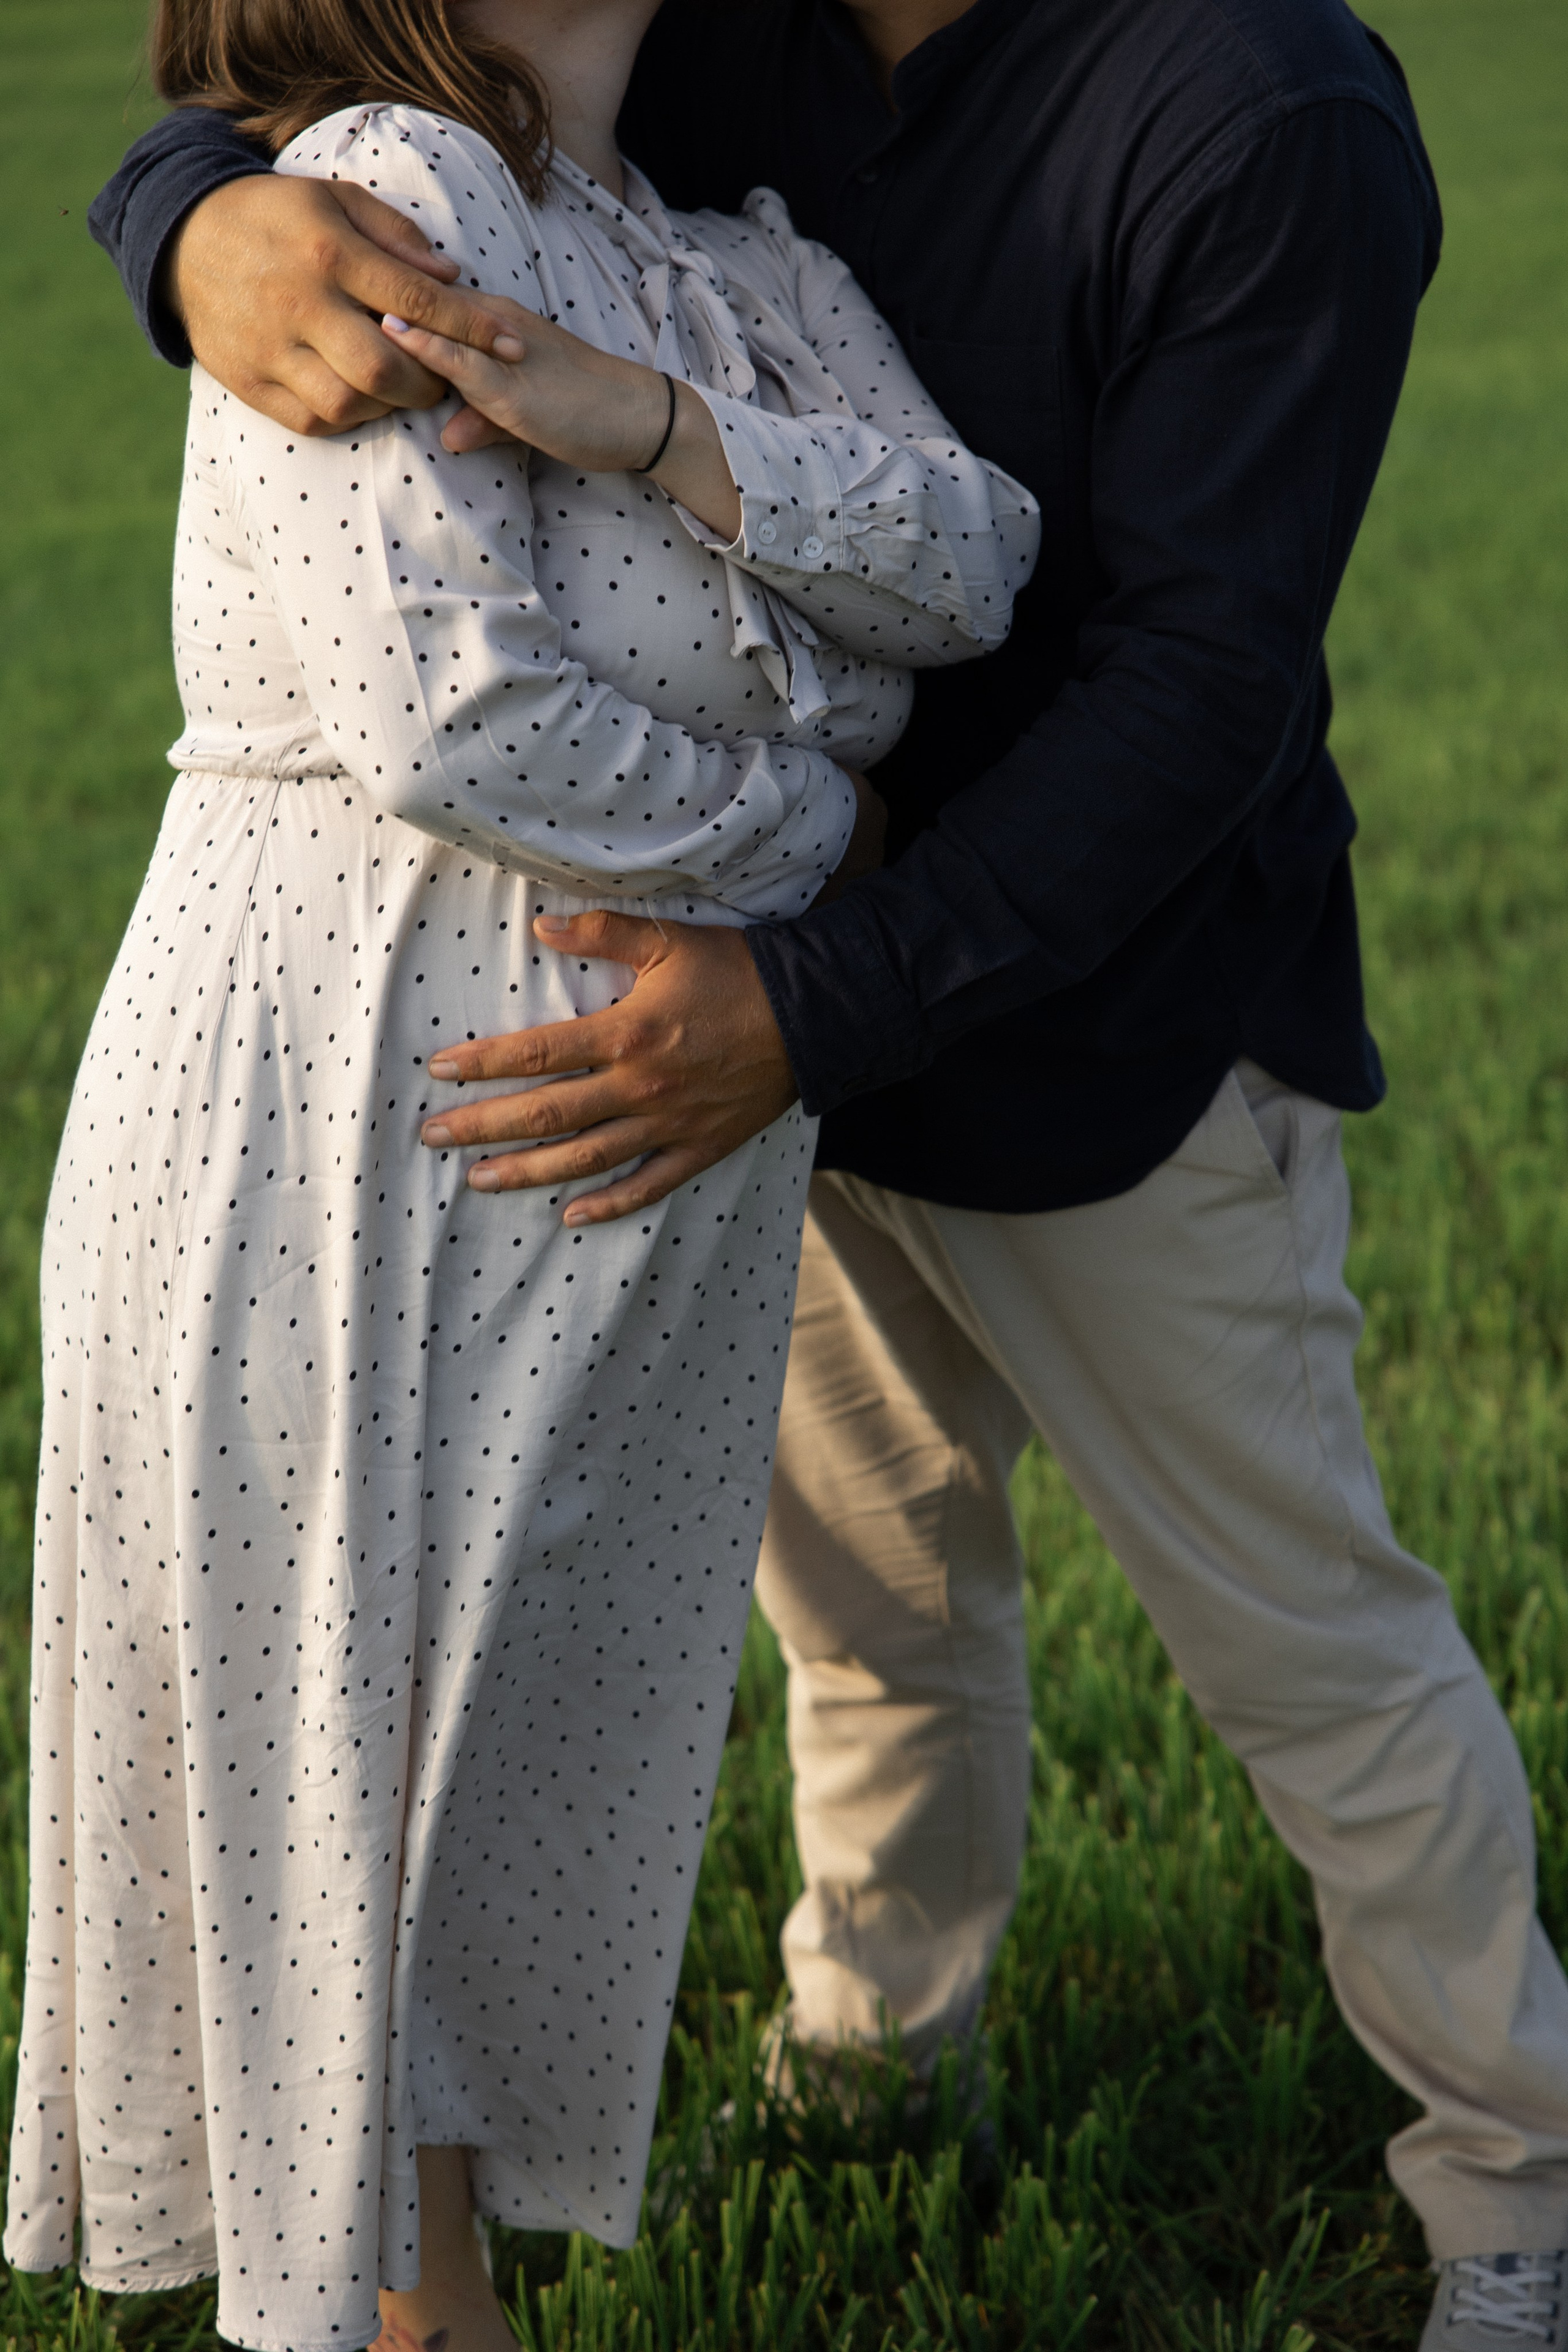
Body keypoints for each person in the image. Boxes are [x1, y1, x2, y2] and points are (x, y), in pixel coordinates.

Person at [72, 0, 1568, 2346]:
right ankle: (876, 2062)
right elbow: (348, 101)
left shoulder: (1260, 102)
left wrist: (829, 967)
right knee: (867, 1626)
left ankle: (1522, 2182)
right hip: (722, 1036)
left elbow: (1206, 680)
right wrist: (194, 229)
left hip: (1105, 1030)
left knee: (1312, 1656)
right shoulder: (715, 34)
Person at [2, 4, 1040, 2346]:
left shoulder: (733, 261)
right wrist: (842, 843)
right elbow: (447, 713)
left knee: (487, 1790)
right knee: (359, 1791)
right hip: (355, 1102)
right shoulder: (387, 192)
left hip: (615, 1149)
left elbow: (977, 560)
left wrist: (658, 427)